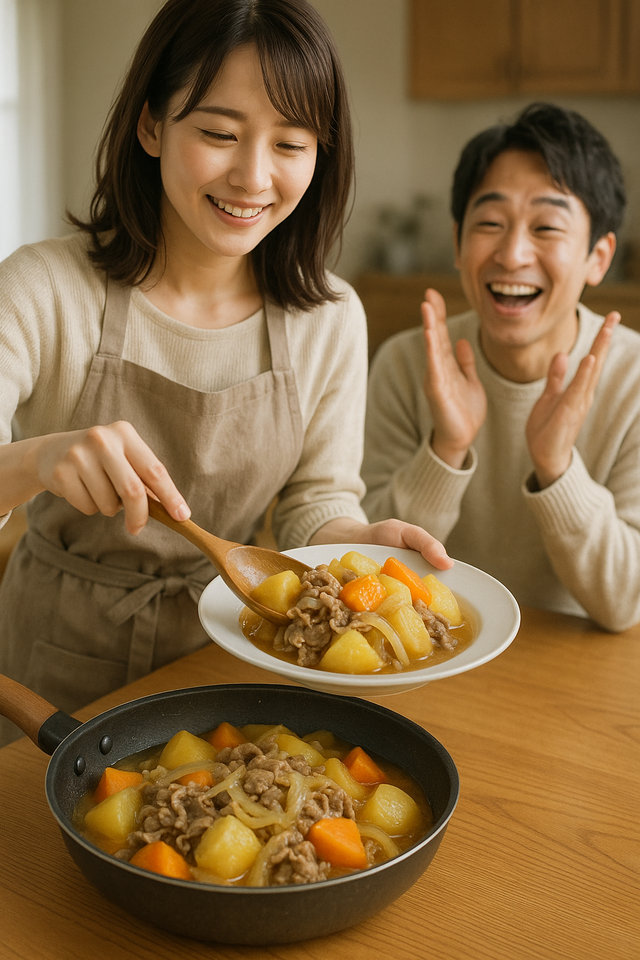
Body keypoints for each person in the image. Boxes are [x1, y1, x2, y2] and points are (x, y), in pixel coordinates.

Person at [0, 0, 450, 745]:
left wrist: (357, 539)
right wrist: (39, 458)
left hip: (230, 660)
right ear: (150, 124)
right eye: (218, 133)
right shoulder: (43, 288)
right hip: (51, 666)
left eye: (291, 143)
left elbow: (313, 504)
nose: (253, 176)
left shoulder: (329, 314)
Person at [362, 102, 640, 632]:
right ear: (458, 243)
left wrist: (558, 468)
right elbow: (372, 574)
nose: (512, 254)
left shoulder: (633, 381)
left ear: (599, 257)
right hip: (436, 654)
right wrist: (445, 449)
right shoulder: (406, 364)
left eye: (547, 227)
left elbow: (626, 602)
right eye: (489, 222)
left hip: (573, 670)